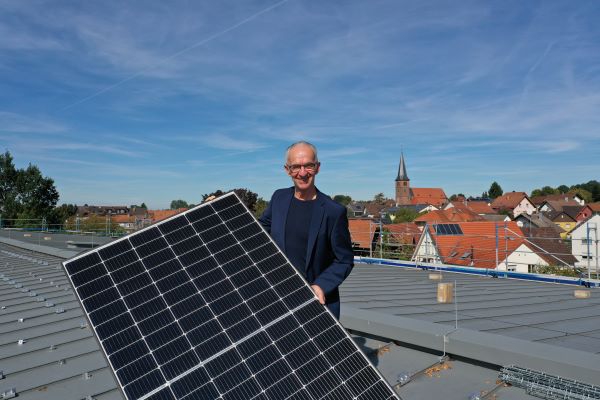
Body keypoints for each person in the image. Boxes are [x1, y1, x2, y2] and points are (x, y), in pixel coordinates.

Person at [259, 141, 354, 319]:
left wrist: (321, 286)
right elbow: (259, 231)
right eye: (296, 167)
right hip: (278, 297)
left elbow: (344, 260)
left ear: (317, 167)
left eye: (308, 166)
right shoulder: (279, 198)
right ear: (287, 170)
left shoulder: (333, 211)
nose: (302, 173)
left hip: (315, 302)